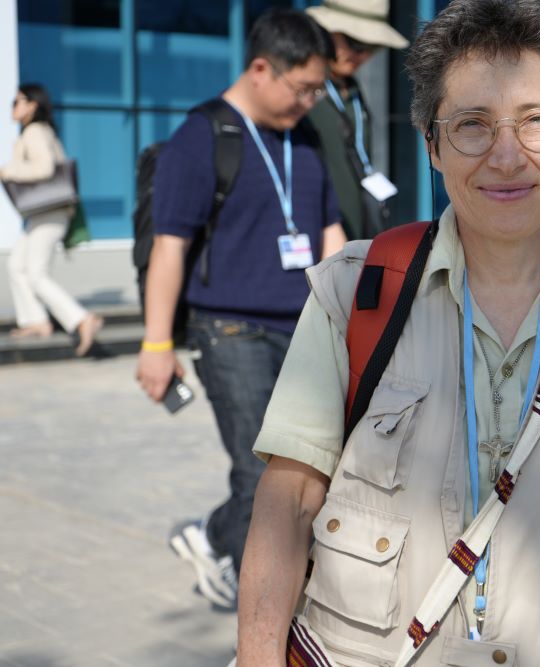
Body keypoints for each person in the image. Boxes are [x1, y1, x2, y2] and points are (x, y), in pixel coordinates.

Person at [238, 1, 540, 665]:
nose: (506, 156)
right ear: (431, 145)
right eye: (472, 125)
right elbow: (286, 500)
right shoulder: (356, 294)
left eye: (536, 122)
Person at [135, 8, 347, 611]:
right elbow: (170, 249)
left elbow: (328, 227)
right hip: (228, 329)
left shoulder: (302, 137)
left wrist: (341, 318)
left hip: (302, 328)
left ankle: (210, 531)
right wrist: (156, 346)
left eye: (318, 89)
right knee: (262, 470)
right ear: (260, 68)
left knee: (311, 464)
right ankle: (230, 556)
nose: (310, 101)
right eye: (302, 87)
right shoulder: (201, 136)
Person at [2, 84, 103, 356]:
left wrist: (7, 171)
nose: (13, 107)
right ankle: (36, 321)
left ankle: (81, 319)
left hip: (50, 213)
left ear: (32, 105)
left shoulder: (35, 132)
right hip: (43, 214)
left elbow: (44, 167)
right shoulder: (36, 132)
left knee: (35, 272)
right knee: (16, 265)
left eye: (17, 101)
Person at [306, 0, 409, 240]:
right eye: (354, 43)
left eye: (372, 47)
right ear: (325, 32)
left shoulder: (352, 89)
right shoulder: (304, 93)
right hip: (316, 236)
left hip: (357, 232)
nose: (361, 54)